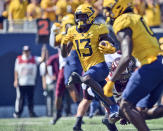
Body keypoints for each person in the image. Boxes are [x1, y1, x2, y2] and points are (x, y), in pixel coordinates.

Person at [102, 0, 163, 130]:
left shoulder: (122, 20)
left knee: (125, 106)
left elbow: (126, 56)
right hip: (159, 64)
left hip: (149, 65)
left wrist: (111, 82)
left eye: (108, 9)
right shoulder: (135, 17)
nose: (107, 13)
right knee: (141, 111)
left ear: (118, 6)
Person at [61, 4, 119, 131]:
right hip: (89, 70)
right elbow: (65, 54)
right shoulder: (72, 31)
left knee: (86, 79)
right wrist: (63, 43)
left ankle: (113, 106)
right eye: (79, 16)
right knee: (102, 95)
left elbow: (112, 43)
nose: (81, 19)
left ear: (91, 16)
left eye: (83, 16)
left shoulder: (98, 28)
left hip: (100, 67)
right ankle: (111, 119)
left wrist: (110, 46)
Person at [49, 14, 82, 125]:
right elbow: (53, 44)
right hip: (65, 66)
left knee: (74, 89)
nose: (69, 26)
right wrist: (53, 33)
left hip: (73, 65)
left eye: (71, 24)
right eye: (68, 24)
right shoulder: (63, 34)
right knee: (60, 91)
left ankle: (79, 114)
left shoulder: (75, 34)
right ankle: (59, 113)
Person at [13, 45, 45, 118]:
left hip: (31, 83)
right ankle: (18, 113)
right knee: (21, 99)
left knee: (30, 99)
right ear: (23, 52)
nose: (26, 52)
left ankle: (31, 113)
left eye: (27, 51)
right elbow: (16, 70)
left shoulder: (34, 59)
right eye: (25, 51)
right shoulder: (19, 59)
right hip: (21, 83)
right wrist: (15, 80)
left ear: (29, 51)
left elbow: (42, 59)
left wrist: (43, 50)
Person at [40, 51, 59, 117]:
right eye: (44, 54)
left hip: (54, 82)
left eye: (46, 54)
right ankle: (49, 113)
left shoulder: (52, 61)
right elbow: (43, 75)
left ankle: (55, 113)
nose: (45, 55)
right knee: (49, 99)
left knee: (55, 98)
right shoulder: (42, 64)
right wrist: (44, 84)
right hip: (48, 83)